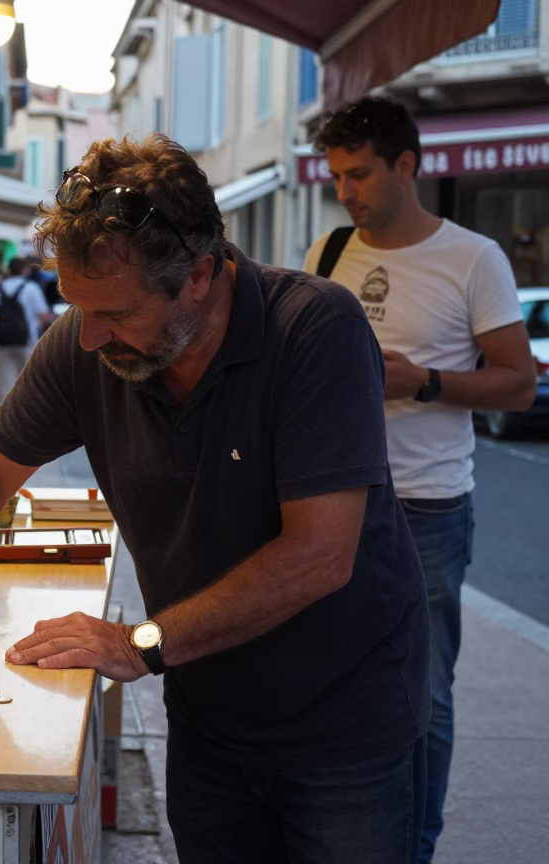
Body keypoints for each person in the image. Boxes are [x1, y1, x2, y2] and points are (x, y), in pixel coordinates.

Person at [0, 134, 432, 862]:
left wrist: (138, 643)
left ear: (200, 275)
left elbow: (319, 554)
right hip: (210, 716)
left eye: (116, 314)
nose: (89, 338)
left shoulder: (316, 328)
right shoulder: (86, 341)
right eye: (77, 307)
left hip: (343, 725)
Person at [304, 97, 536, 864]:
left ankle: (414, 847)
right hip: (336, 501)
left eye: (360, 174)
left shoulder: (474, 258)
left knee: (424, 695)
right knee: (335, 682)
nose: (346, 191)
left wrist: (424, 382)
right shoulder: (328, 252)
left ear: (407, 166)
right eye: (337, 176)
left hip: (428, 506)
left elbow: (519, 384)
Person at [0, 257, 54, 397]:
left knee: (6, 382)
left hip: (3, 342)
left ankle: (5, 409)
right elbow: (44, 316)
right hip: (27, 341)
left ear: (9, 271)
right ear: (24, 270)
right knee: (29, 381)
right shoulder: (31, 288)